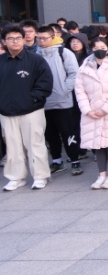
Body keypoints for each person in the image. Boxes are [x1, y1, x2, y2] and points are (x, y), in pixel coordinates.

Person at [0, 25, 54, 190]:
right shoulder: (1, 61)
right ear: (4, 41)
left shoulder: (35, 60)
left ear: (24, 40)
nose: (15, 41)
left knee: (35, 144)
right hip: (6, 112)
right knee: (12, 146)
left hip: (31, 110)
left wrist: (32, 99)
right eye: (10, 38)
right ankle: (16, 177)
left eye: (18, 38)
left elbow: (45, 83)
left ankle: (40, 176)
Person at [75, 37, 108, 190]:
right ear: (91, 49)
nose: (99, 50)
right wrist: (87, 110)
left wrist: (105, 109)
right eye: (96, 47)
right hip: (91, 112)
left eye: (103, 47)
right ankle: (101, 174)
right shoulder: (84, 68)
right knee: (97, 145)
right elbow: (79, 91)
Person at [36, 25, 83, 177]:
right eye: (39, 38)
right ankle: (56, 161)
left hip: (63, 102)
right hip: (43, 102)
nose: (41, 41)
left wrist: (64, 90)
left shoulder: (64, 53)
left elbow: (74, 74)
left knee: (68, 132)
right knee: (50, 134)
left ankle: (75, 160)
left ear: (53, 37)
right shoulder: (35, 54)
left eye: (44, 38)